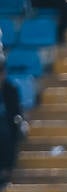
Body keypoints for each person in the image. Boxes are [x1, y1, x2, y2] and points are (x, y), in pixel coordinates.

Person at [0, 57, 26, 185]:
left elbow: (16, 112)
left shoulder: (11, 89)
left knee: (6, 130)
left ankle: (7, 168)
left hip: (8, 126)